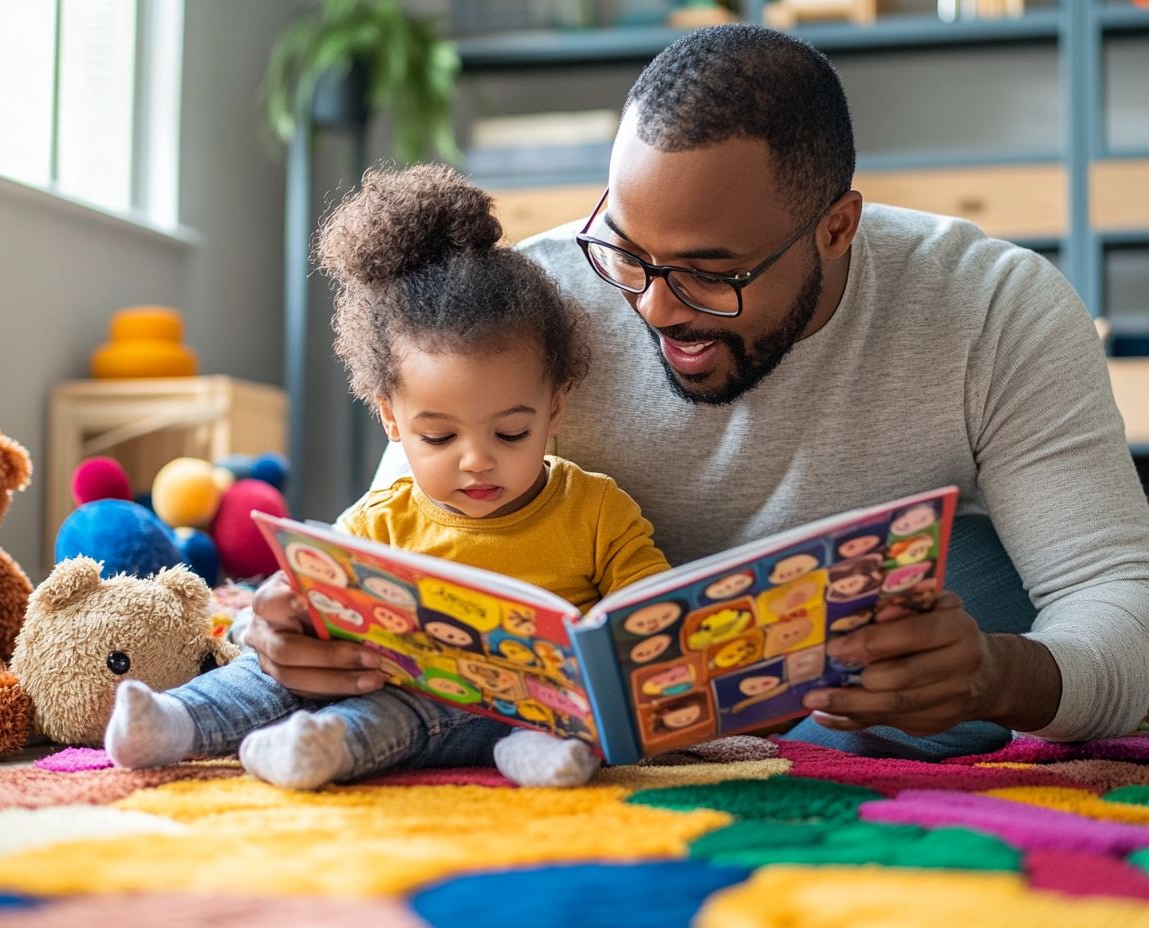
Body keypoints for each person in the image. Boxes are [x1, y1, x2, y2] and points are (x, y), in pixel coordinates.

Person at [244, 24, 1149, 759]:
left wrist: (999, 676)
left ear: (837, 228)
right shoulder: (528, 303)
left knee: (983, 585)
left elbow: (1118, 591)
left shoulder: (995, 305)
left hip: (877, 694)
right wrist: (320, 626)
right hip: (601, 713)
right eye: (628, 250)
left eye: (713, 273)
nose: (654, 303)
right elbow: (395, 531)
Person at [104, 164, 670, 788]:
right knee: (274, 670)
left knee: (409, 709)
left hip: (519, 705)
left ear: (554, 409)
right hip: (386, 672)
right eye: (438, 436)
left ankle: (335, 748)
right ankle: (175, 720)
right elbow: (305, 612)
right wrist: (287, 617)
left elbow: (654, 610)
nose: (476, 460)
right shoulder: (381, 519)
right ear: (392, 421)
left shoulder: (595, 511)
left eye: (511, 433)